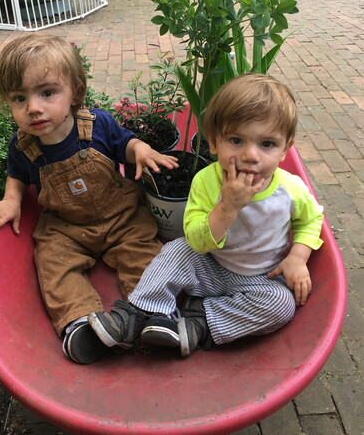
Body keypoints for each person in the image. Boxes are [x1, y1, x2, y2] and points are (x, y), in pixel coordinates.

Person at [88, 73, 324, 357]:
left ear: (285, 148)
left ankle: (198, 322)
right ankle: (137, 313)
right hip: (209, 265)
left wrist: (298, 256)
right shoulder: (206, 181)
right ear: (213, 143)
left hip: (261, 278)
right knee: (177, 250)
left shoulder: (290, 189)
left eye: (267, 144)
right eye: (236, 140)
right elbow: (196, 241)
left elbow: (311, 219)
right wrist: (227, 206)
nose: (250, 155)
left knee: (281, 304)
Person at [0, 34, 178, 364]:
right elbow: (17, 175)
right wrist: (11, 199)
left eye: (47, 93)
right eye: (19, 98)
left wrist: (141, 150)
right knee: (53, 264)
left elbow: (125, 143)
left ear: (74, 92)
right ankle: (81, 324)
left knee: (144, 253)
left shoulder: (98, 124)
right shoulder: (22, 147)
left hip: (120, 216)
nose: (33, 108)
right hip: (67, 227)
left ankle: (155, 312)